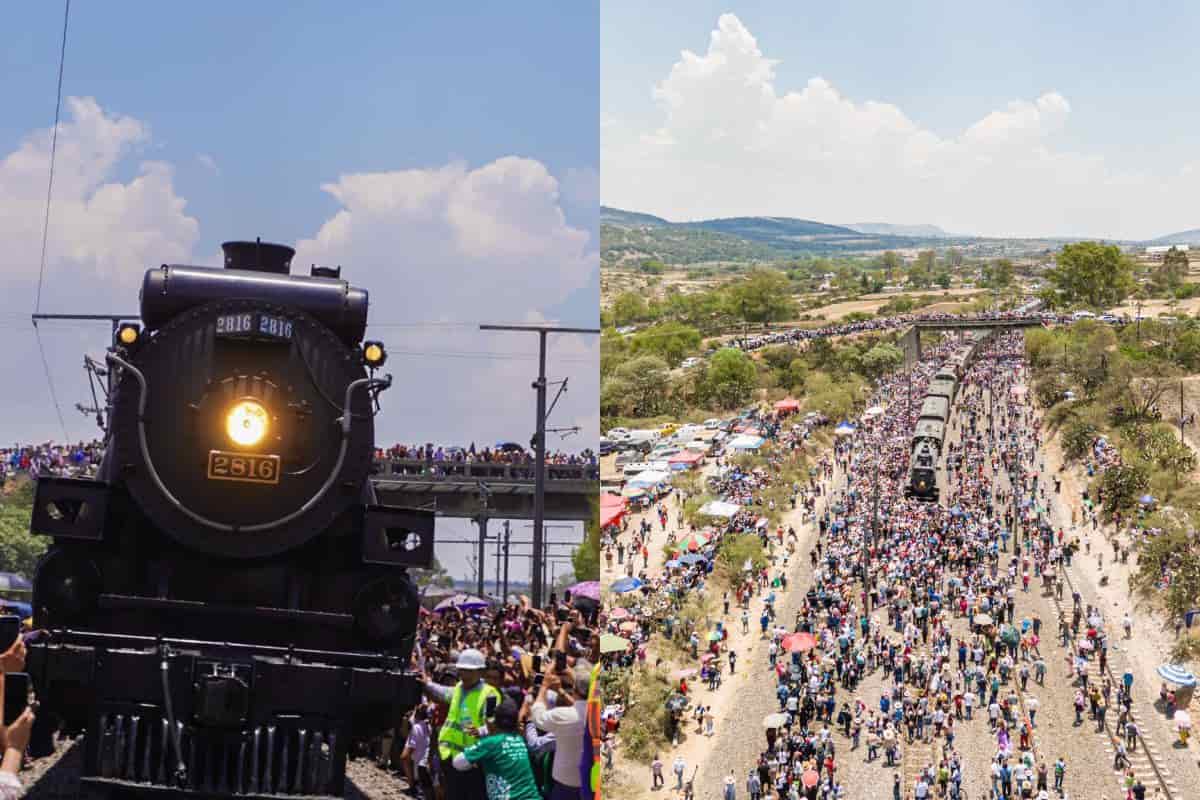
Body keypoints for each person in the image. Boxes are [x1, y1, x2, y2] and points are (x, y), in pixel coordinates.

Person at [424, 648, 504, 800]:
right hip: (450, 756)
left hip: (473, 760)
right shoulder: (459, 688)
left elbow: (494, 726)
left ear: (480, 672)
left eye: (469, 671)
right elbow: (443, 692)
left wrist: (480, 731)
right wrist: (427, 683)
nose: (464, 675)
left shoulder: (490, 694)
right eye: (462, 670)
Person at [452, 696, 541, 800]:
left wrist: (475, 759)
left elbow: (457, 763)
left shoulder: (491, 743)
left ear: (494, 722)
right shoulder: (520, 739)